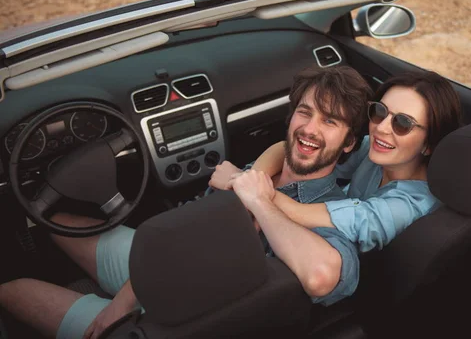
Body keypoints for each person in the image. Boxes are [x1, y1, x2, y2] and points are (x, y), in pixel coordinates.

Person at [0, 65, 373, 339]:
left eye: (330, 122)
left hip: (183, 319)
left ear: (349, 143)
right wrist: (127, 296)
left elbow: (323, 277)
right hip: (160, 266)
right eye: (305, 113)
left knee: (12, 291)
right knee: (58, 223)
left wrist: (258, 199)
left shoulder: (336, 212)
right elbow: (178, 238)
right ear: (290, 116)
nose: (310, 129)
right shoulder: (258, 168)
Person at [231, 70, 462, 253]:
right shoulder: (378, 154)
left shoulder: (412, 204)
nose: (381, 128)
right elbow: (291, 148)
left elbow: (347, 219)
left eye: (402, 124)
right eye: (380, 112)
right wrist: (249, 176)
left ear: (429, 143)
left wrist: (254, 196)